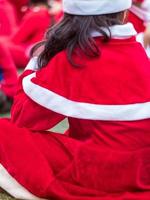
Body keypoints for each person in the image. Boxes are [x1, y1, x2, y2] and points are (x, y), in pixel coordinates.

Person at [1, 0, 150, 199]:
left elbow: (22, 118)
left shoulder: (73, 58)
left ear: (68, 17)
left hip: (101, 171)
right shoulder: (139, 53)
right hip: (142, 170)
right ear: (124, 15)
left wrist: (37, 62)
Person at [2, 0, 51, 68]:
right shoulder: (50, 12)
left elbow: (16, 38)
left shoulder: (36, 14)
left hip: (32, 55)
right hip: (42, 52)